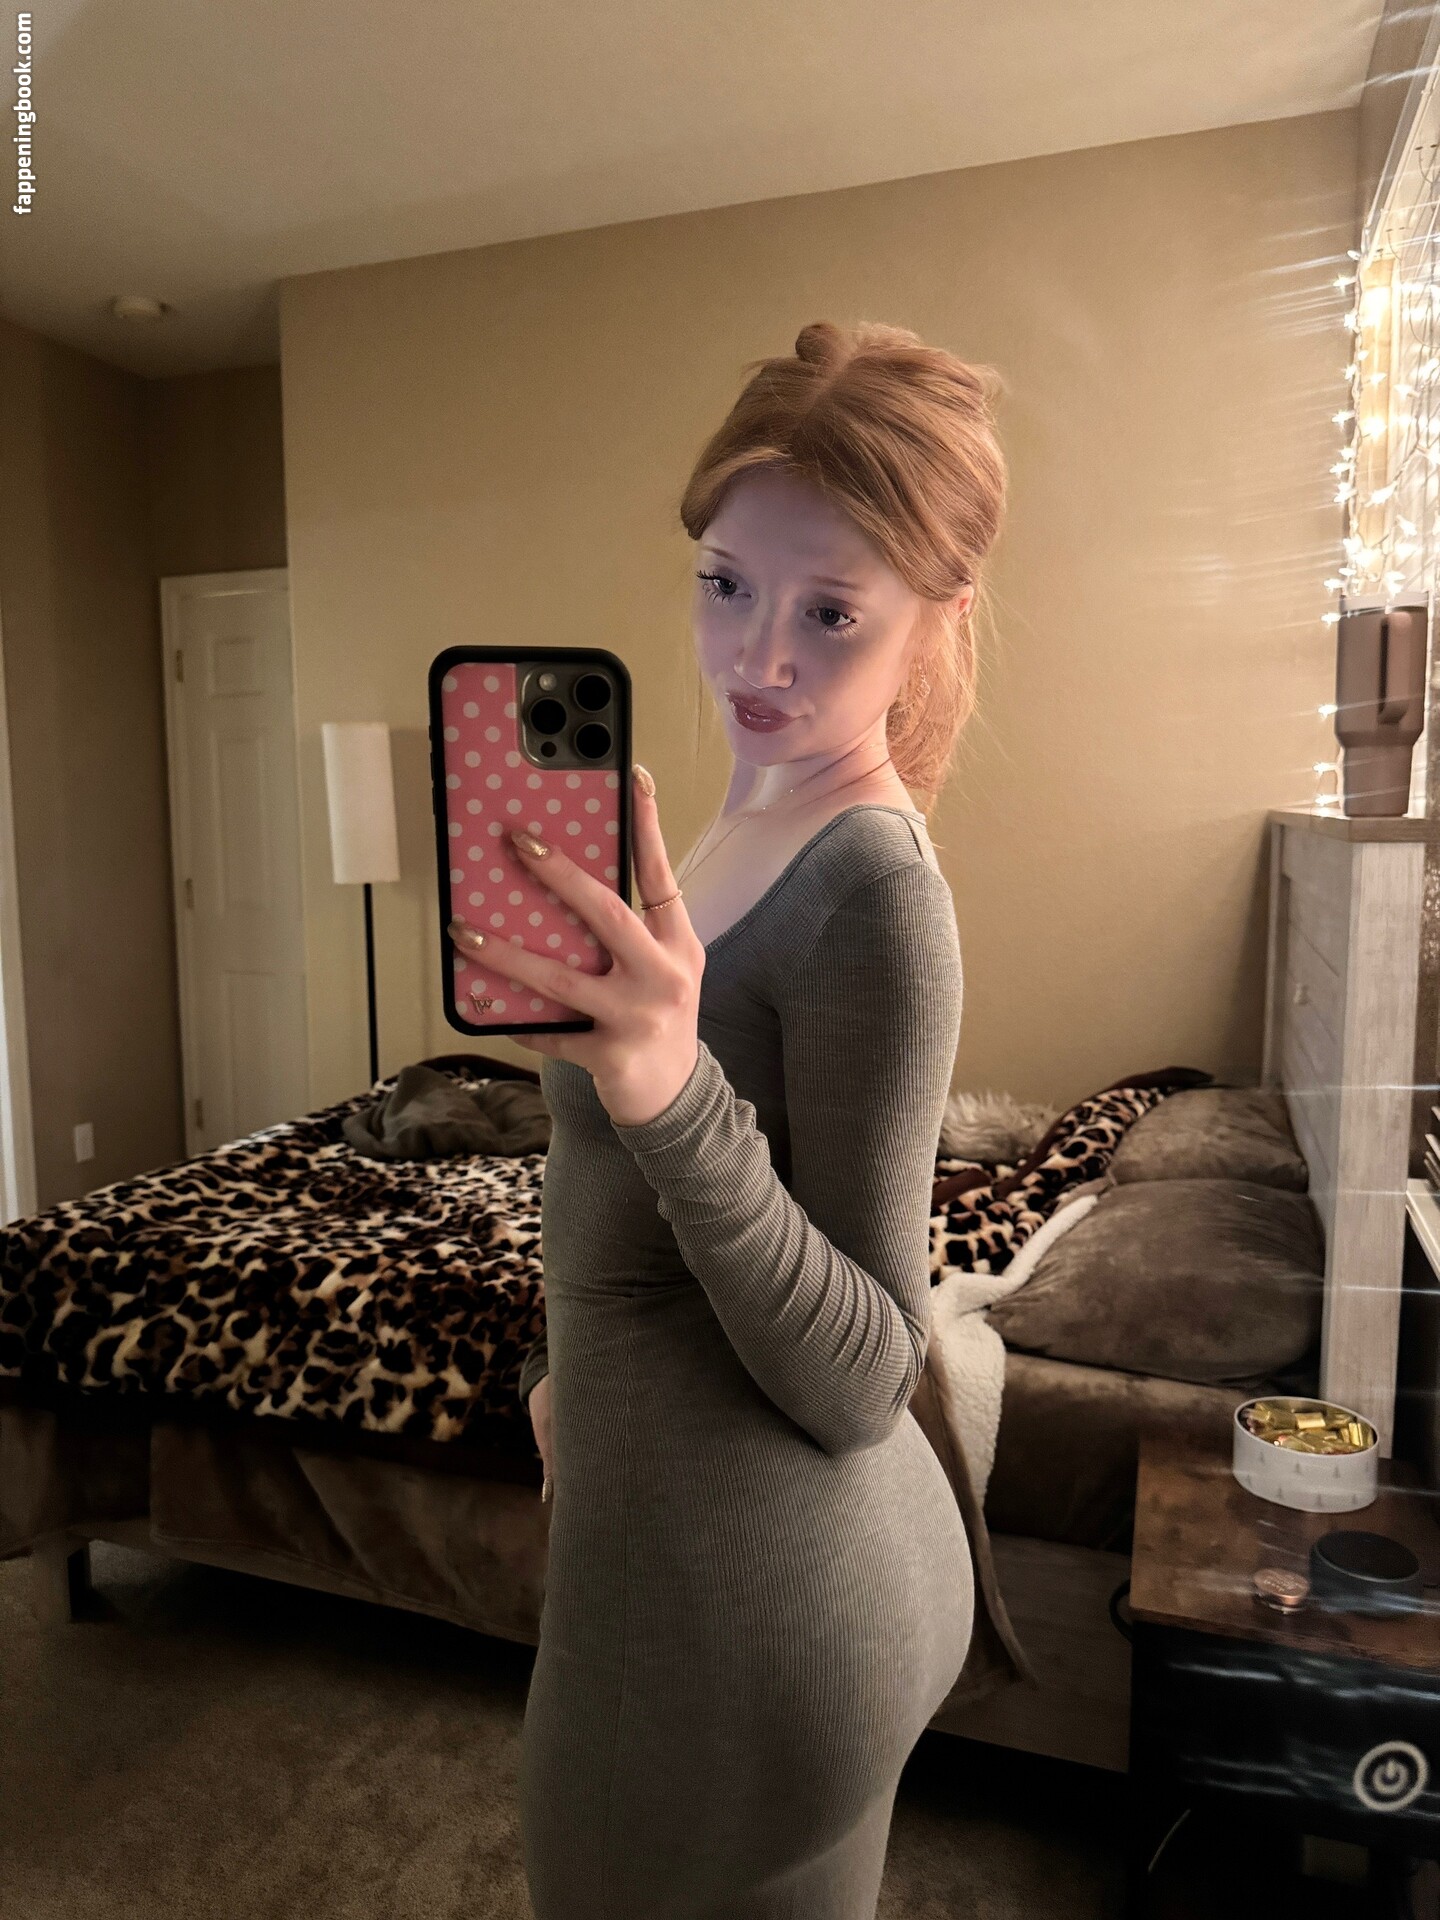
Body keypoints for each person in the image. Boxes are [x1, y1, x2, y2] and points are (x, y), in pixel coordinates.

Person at [448, 319, 1008, 1919]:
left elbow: (867, 1372)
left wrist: (670, 1093)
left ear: (935, 620)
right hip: (707, 1554)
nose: (759, 659)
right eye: (725, 584)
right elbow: (630, 1221)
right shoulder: (743, 815)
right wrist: (562, 1382)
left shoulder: (876, 889)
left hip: (742, 1609)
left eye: (831, 612)